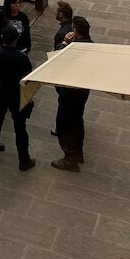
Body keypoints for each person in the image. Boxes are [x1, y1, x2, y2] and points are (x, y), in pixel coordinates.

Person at [0, 26, 35, 170]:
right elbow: (27, 78)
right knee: (20, 128)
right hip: (15, 95)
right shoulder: (22, 58)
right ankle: (24, 160)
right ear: (16, 39)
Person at [52, 16, 93, 171]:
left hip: (69, 92)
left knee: (65, 124)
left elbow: (57, 57)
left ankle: (70, 158)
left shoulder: (72, 48)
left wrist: (64, 43)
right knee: (77, 120)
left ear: (75, 31)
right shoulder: (91, 45)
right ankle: (78, 152)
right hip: (82, 91)